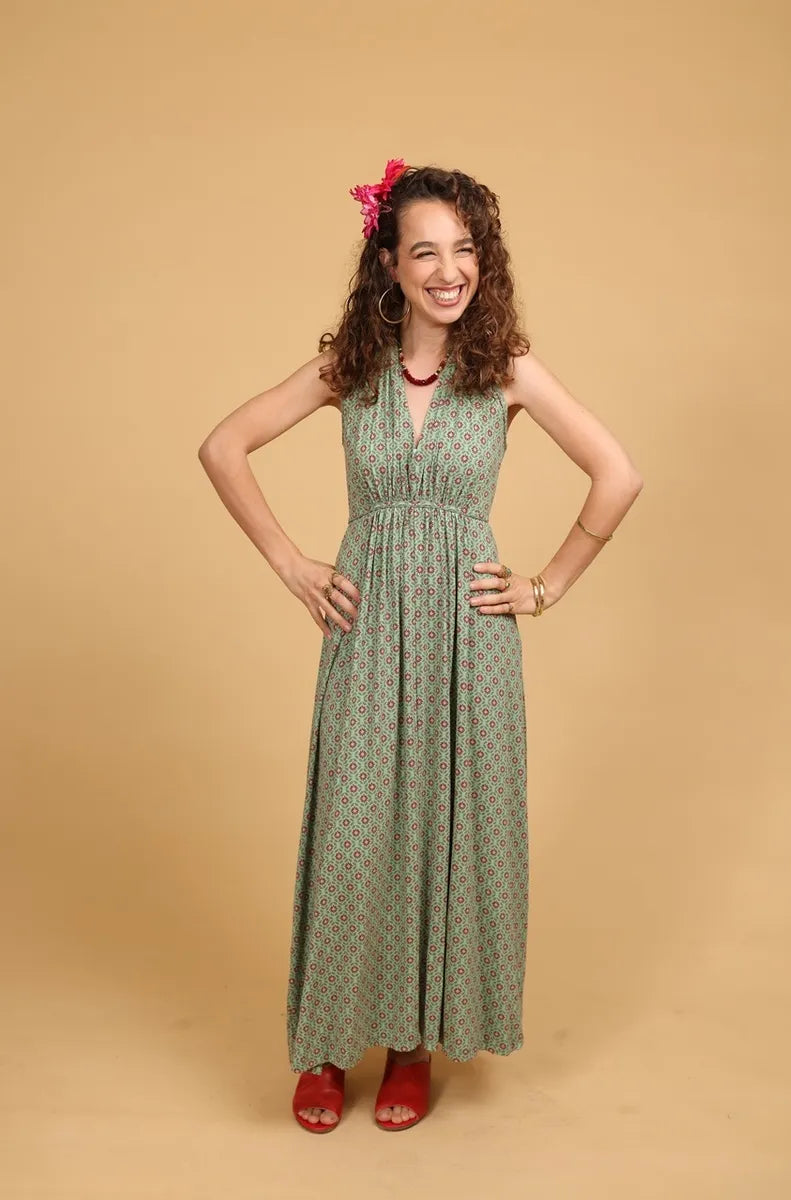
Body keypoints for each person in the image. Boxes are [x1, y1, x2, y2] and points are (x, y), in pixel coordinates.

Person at [197, 159, 644, 1134]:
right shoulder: (348, 369)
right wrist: (289, 563)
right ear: (390, 265)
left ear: (484, 260)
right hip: (366, 630)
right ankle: (324, 1047)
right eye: (426, 251)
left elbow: (617, 474)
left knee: (444, 831)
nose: (449, 270)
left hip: (467, 642)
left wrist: (544, 586)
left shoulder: (506, 368)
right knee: (352, 833)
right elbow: (222, 446)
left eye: (465, 249)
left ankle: (412, 1046)